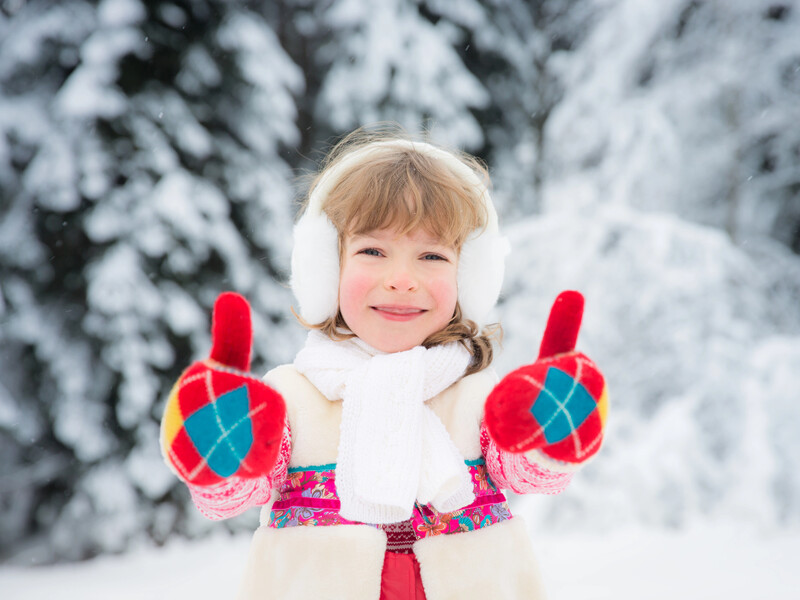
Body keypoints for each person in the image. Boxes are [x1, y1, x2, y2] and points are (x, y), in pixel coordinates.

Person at [160, 129, 608, 600]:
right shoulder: (291, 396)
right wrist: (217, 452)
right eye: (372, 251)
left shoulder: (474, 390)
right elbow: (232, 496)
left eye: (432, 255)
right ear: (327, 269)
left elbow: (528, 474)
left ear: (467, 277)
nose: (402, 280)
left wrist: (553, 428)